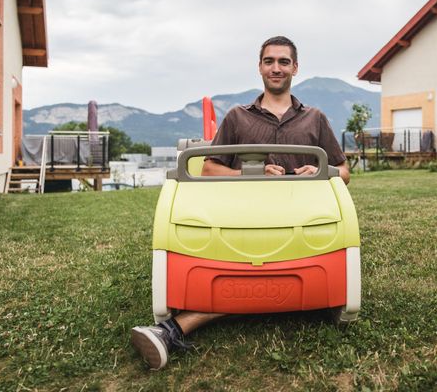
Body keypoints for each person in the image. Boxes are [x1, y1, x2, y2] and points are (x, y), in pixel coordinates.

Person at [131, 36, 350, 370]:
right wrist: (251, 172)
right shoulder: (237, 116)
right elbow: (208, 168)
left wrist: (319, 170)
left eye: (283, 62)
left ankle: (171, 331)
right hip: (245, 218)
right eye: (269, 61)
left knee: (252, 273)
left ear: (295, 68)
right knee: (251, 267)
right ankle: (170, 331)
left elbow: (344, 171)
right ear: (260, 67)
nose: (276, 68)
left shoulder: (315, 118)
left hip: (302, 217)